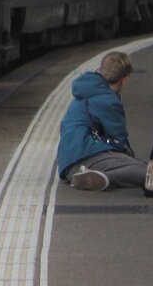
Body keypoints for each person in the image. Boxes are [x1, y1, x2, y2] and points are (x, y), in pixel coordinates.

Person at [56, 50, 147, 191]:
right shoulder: (108, 100)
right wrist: (130, 159)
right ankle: (102, 178)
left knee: (141, 165)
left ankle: (93, 175)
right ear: (124, 80)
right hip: (87, 156)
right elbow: (119, 141)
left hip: (67, 162)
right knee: (146, 173)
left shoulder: (86, 88)